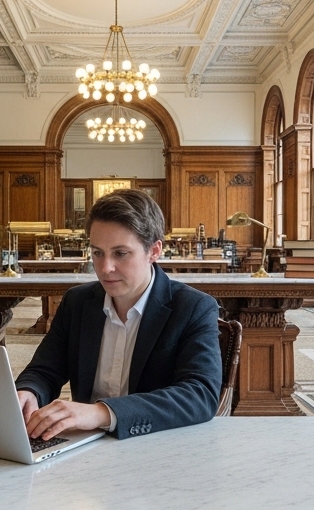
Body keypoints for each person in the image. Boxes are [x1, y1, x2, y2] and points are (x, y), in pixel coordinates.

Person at [15, 189, 221, 441]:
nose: (105, 268)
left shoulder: (193, 307)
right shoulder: (77, 302)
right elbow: (45, 370)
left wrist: (103, 412)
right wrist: (28, 392)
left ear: (154, 251)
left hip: (156, 446)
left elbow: (199, 395)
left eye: (120, 253)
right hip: (83, 448)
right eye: (97, 252)